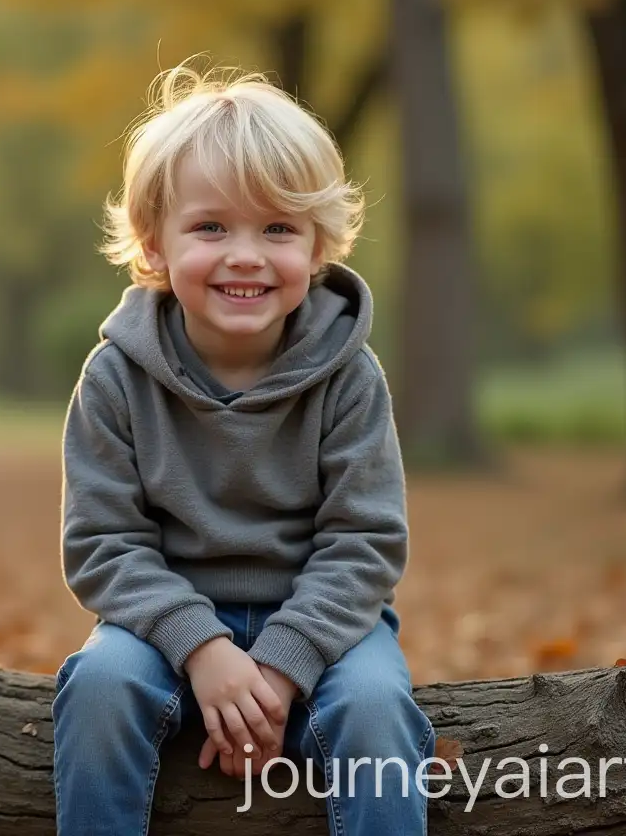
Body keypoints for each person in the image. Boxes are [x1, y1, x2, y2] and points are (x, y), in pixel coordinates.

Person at [52, 58, 435, 835]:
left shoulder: (350, 377)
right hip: (158, 626)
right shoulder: (115, 377)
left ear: (319, 247)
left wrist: (284, 664)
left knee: (375, 708)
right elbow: (102, 543)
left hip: (329, 623)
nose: (246, 254)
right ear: (154, 244)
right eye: (211, 226)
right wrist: (204, 650)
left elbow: (364, 542)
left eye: (279, 229)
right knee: (97, 686)